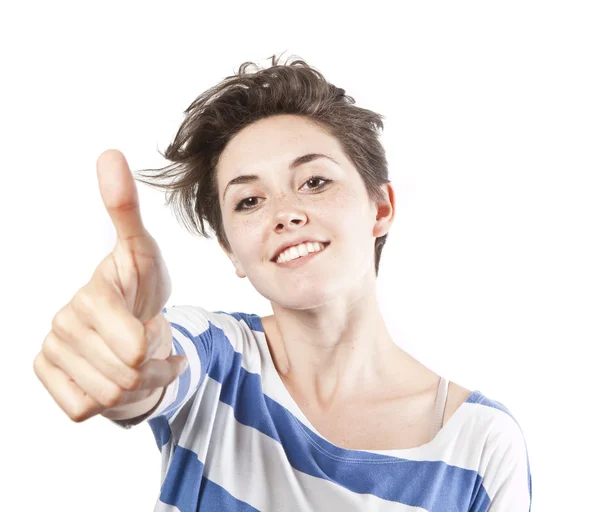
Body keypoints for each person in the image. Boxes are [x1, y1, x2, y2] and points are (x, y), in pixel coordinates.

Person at [33, 54, 532, 511]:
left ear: (380, 208)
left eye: (315, 181)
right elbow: (158, 364)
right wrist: (122, 361)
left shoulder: (481, 443)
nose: (286, 213)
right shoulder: (216, 361)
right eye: (249, 201)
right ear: (232, 251)